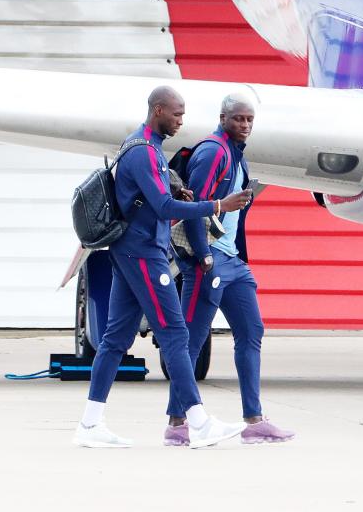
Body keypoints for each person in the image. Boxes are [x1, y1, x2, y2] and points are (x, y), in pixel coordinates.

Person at [74, 86, 253, 450]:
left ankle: (90, 425)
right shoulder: (143, 151)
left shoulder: (145, 146)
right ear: (158, 111)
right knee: (174, 333)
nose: (181, 121)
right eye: (176, 114)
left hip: (132, 251)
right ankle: (199, 423)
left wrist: (179, 192)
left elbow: (157, 198)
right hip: (143, 253)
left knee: (115, 340)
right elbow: (163, 207)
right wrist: (218, 205)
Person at [164, 93, 295, 446]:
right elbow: (195, 206)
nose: (245, 125)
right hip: (209, 262)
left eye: (250, 119)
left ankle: (254, 421)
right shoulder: (212, 152)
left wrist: (236, 254)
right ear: (223, 118)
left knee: (251, 332)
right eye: (238, 119)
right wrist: (203, 255)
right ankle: (178, 425)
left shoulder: (238, 157)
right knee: (191, 341)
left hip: (233, 262)